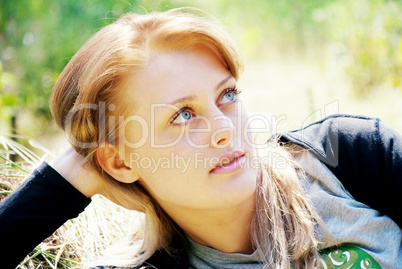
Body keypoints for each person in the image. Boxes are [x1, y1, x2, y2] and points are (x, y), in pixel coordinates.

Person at [0, 8, 401, 269]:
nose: (225, 130)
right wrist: (62, 181)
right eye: (183, 115)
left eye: (227, 95)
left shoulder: (346, 157)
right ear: (120, 163)